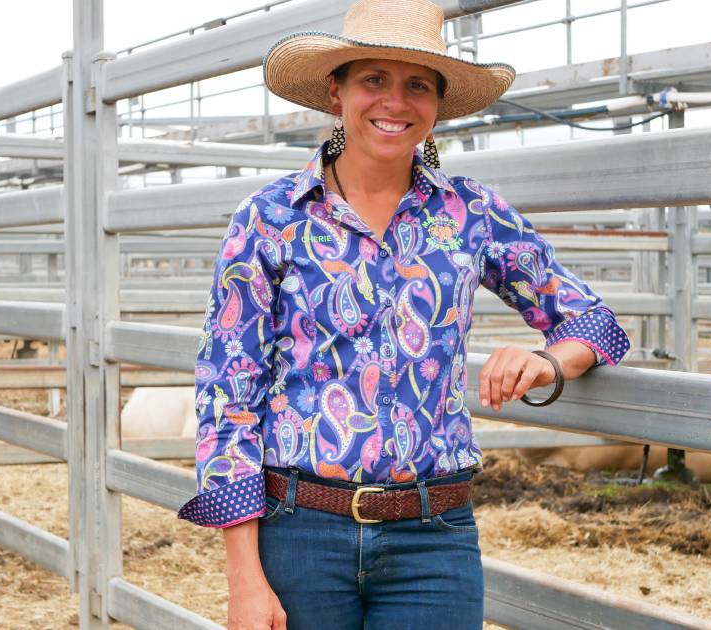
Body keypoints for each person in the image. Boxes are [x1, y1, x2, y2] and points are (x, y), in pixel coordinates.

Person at [177, 0, 630, 628]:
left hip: (433, 538)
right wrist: (244, 577)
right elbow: (228, 393)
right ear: (336, 93)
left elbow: (592, 321)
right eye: (374, 81)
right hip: (299, 531)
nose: (395, 102)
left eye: (417, 85)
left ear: (438, 104)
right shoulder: (271, 218)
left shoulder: (472, 213)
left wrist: (547, 360)